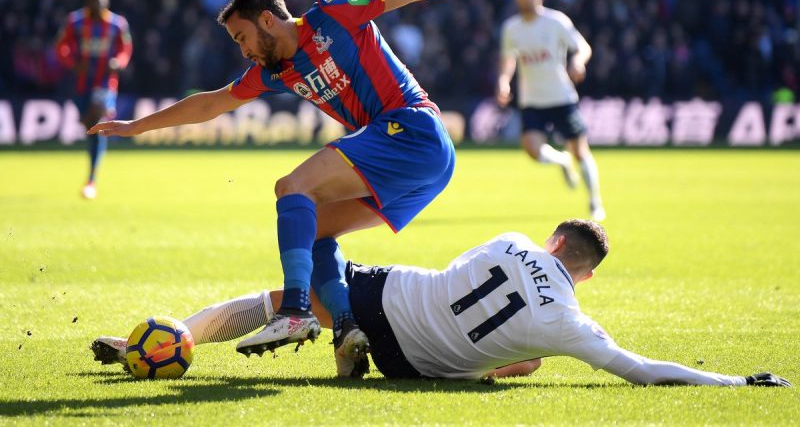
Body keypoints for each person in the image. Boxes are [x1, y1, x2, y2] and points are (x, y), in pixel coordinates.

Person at [87, 0, 548, 377]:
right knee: (314, 229)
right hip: (419, 165)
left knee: (292, 187)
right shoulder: (276, 72)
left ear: (267, 20)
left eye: (242, 37)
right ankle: (345, 327)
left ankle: (295, 309)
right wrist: (137, 126)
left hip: (411, 128)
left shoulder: (336, 12)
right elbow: (212, 102)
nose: (244, 51)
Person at [91, 219, 791, 387]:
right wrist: (734, 379)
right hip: (416, 365)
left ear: (552, 238)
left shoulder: (515, 239)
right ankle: (354, 348)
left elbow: (462, 270)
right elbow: (639, 369)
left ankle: (166, 339)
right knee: (528, 362)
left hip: (394, 294)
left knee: (293, 282)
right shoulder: (572, 320)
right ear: (587, 275)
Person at [496, 0, 606, 221]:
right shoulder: (511, 28)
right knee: (532, 150)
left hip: (561, 96)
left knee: (580, 150)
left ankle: (595, 201)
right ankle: (562, 160)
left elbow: (583, 47)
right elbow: (508, 59)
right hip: (532, 100)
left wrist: (577, 61)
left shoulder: (556, 21)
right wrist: (504, 80)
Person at [55, 0, 133, 199]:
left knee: (97, 125)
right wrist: (72, 63)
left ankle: (91, 180)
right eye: (91, 1)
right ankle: (92, 173)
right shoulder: (75, 22)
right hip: (81, 84)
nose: (95, 6)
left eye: (99, 2)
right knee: (89, 127)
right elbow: (61, 46)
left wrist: (119, 62)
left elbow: (125, 49)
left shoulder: (117, 24)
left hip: (105, 83)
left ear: (106, 2)